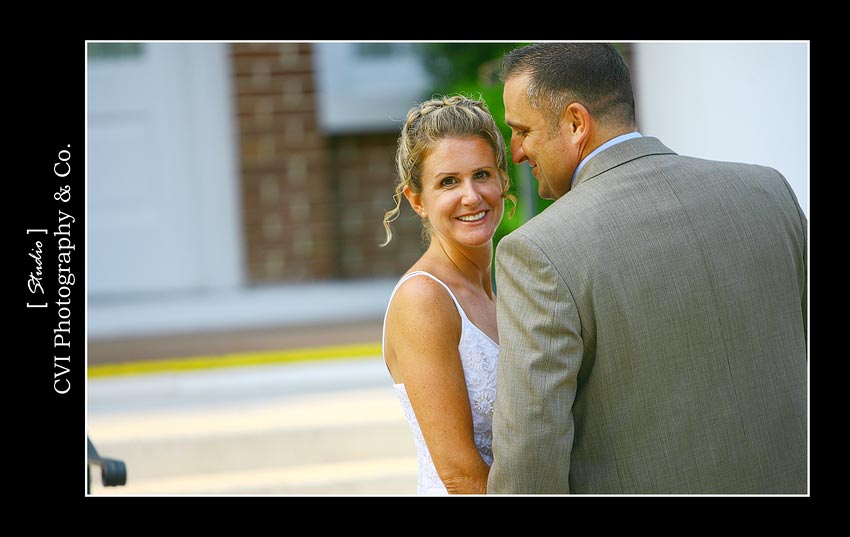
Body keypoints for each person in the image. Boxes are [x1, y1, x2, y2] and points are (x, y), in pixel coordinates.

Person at [487, 43, 807, 494]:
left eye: (522, 131)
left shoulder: (538, 251)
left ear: (576, 123)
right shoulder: (771, 193)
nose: (516, 151)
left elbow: (530, 454)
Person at [380, 95, 516, 494]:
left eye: (482, 175)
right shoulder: (423, 299)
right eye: (448, 182)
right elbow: (458, 473)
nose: (471, 196)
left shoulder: (505, 286)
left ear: (502, 180)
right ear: (417, 200)